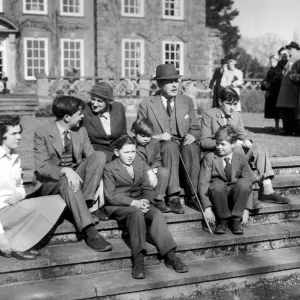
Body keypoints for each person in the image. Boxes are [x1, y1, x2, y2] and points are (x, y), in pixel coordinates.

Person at [34, 96, 113, 252]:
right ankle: (90, 232)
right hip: (51, 182)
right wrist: (65, 170)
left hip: (75, 179)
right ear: (67, 117)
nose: (83, 116)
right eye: (79, 113)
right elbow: (42, 167)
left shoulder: (80, 131)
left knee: (100, 156)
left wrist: (101, 179)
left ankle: (86, 203)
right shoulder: (42, 132)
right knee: (67, 181)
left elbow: (91, 158)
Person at [103, 135, 188, 279]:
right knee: (136, 214)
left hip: (139, 202)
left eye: (133, 152)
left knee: (156, 214)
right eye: (126, 152)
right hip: (119, 205)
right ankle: (139, 260)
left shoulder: (139, 164)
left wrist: (146, 202)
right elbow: (110, 195)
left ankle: (171, 256)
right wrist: (134, 203)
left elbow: (147, 187)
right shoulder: (110, 168)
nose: (131, 156)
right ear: (117, 152)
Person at [200, 87, 290, 205]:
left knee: (259, 148)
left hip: (235, 151)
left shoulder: (236, 115)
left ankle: (267, 191)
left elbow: (243, 135)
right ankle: (247, 196)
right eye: (228, 104)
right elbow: (204, 141)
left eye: (235, 104)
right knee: (237, 149)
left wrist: (247, 141)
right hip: (219, 152)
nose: (232, 108)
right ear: (220, 102)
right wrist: (229, 144)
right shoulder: (209, 114)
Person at [137, 64, 201, 213]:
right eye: (169, 81)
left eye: (176, 81)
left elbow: (196, 128)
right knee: (170, 146)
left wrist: (193, 135)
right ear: (159, 84)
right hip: (161, 147)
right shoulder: (147, 104)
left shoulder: (187, 101)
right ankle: (173, 197)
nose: (174, 85)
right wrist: (159, 136)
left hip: (184, 144)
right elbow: (139, 133)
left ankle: (193, 196)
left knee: (192, 147)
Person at [0, 115, 65, 260]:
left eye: (19, 132)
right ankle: (15, 246)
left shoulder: (14, 156)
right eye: (14, 134)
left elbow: (20, 186)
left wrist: (21, 194)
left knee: (55, 202)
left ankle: (15, 241)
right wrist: (1, 236)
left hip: (12, 207)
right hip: (2, 212)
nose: (19, 137)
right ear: (1, 136)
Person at [199, 125, 256, 235]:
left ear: (233, 144)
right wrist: (207, 208)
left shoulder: (240, 157)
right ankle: (222, 220)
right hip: (218, 196)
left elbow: (249, 183)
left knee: (244, 183)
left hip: (236, 196)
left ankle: (236, 220)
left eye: (223, 144)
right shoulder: (210, 158)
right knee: (217, 184)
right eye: (217, 144)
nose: (219, 147)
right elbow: (203, 183)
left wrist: (247, 210)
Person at [131, 118, 171, 213]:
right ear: (134, 134)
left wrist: (154, 170)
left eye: (148, 136)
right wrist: (148, 171)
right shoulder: (131, 144)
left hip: (152, 169)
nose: (146, 139)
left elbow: (157, 160)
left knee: (164, 171)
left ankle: (158, 199)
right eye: (142, 136)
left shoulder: (154, 142)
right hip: (138, 171)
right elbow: (136, 161)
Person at [82, 82, 127, 162]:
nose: (95, 104)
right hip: (96, 153)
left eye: (99, 101)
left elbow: (123, 134)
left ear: (108, 101)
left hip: (117, 150)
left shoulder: (118, 108)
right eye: (93, 99)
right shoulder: (84, 110)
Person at [276, 41, 300, 135]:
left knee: (288, 111)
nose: (288, 50)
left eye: (289, 49)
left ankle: (289, 129)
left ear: (294, 49)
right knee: (286, 110)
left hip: (291, 89)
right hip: (287, 90)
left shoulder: (297, 57)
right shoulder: (293, 58)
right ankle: (289, 129)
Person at [261, 55, 282, 132]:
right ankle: (276, 126)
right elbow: (267, 78)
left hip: (276, 92)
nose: (271, 62)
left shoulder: (277, 69)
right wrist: (263, 83)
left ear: (277, 61)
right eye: (271, 61)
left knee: (276, 110)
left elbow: (276, 80)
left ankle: (277, 126)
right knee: (273, 110)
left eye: (273, 61)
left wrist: (268, 84)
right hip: (271, 92)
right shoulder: (271, 69)